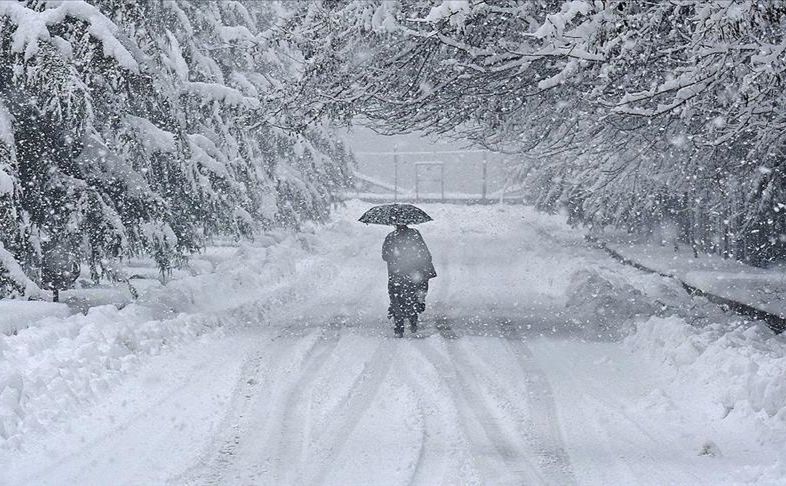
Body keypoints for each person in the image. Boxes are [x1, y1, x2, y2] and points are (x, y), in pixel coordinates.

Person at [382, 224, 436, 337]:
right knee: (413, 297)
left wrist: (396, 258)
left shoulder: (391, 237)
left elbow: (385, 256)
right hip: (413, 274)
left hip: (396, 275)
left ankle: (399, 327)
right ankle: (413, 321)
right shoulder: (415, 235)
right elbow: (425, 253)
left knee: (396, 299)